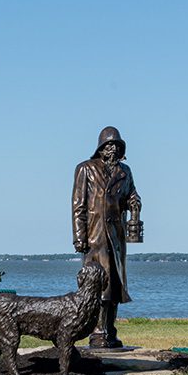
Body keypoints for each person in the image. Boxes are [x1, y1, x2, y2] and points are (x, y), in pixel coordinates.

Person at [72, 126, 141, 349]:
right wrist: (79, 237)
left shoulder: (125, 172)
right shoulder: (86, 169)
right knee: (98, 285)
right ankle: (97, 332)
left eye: (116, 145)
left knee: (115, 285)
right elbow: (78, 206)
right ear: (101, 148)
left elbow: (132, 194)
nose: (113, 149)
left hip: (117, 237)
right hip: (96, 236)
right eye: (109, 145)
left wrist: (134, 202)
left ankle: (110, 330)